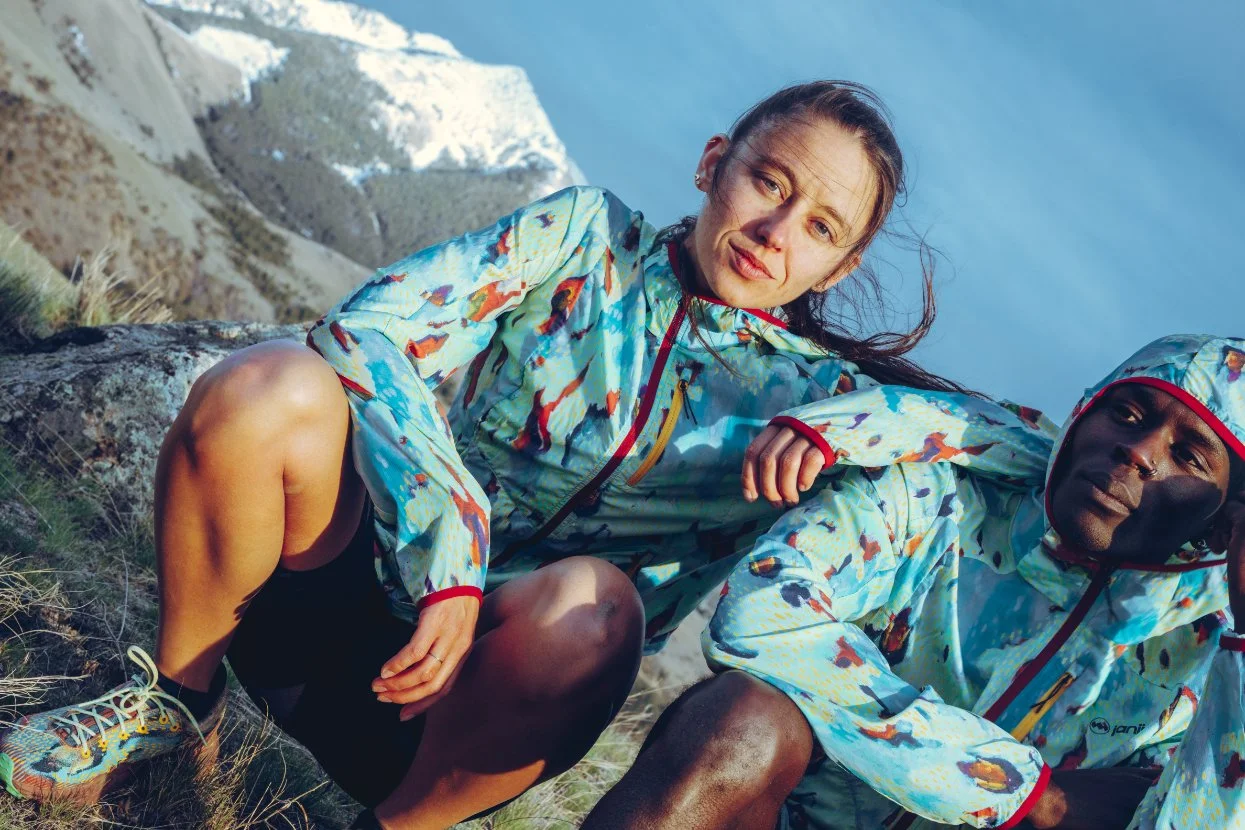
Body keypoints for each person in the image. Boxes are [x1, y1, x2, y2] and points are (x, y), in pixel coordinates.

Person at [1, 81, 971, 828]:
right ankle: (175, 702)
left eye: (819, 228)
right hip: (329, 601)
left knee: (599, 604)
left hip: (462, 728)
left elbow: (1007, 450)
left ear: (840, 265)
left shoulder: (808, 405)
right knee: (272, 385)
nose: (775, 232)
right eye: (770, 181)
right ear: (715, 162)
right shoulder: (583, 238)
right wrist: (449, 536)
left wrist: (853, 429)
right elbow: (366, 329)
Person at [584, 333, 1245, 830]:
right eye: (1126, 414)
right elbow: (759, 613)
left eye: (1188, 455)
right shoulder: (934, 497)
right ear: (1081, 417)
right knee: (744, 718)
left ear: (1224, 524)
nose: (1139, 450)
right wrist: (1024, 793)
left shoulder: (1202, 667)